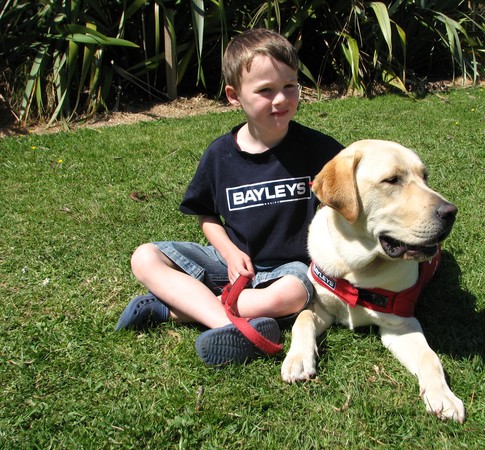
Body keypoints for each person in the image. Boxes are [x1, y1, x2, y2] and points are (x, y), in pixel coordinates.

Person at [114, 28, 344, 366]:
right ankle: (231, 325)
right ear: (234, 96)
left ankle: (174, 307)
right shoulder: (220, 155)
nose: (281, 99)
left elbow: (348, 190)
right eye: (265, 90)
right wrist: (230, 252)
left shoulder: (319, 149)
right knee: (144, 257)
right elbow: (206, 215)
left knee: (294, 293)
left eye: (290, 86)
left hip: (289, 268)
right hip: (231, 264)